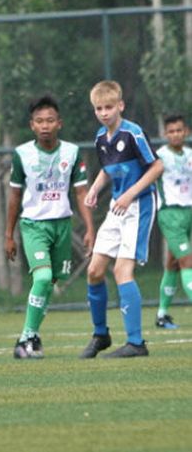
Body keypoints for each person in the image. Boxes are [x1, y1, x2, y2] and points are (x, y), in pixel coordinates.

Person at [5, 95, 95, 359]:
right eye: (39, 121)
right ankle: (27, 337)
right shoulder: (22, 154)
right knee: (42, 279)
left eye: (50, 120)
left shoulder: (72, 152)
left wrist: (90, 228)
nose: (45, 125)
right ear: (32, 125)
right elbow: (14, 197)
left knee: (52, 282)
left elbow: (80, 193)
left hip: (62, 226)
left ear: (60, 123)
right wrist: (8, 235)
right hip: (34, 225)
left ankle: (28, 338)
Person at [80, 80, 164, 359]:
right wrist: (94, 188)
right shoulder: (100, 138)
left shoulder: (133, 133)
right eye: (99, 108)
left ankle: (136, 343)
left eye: (109, 107)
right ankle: (101, 335)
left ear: (120, 106)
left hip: (139, 205)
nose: (104, 112)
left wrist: (129, 194)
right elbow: (108, 170)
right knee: (94, 271)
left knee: (121, 272)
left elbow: (156, 166)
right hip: (118, 207)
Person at [154, 115, 192, 329]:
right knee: (188, 261)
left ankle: (161, 315)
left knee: (172, 264)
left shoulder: (190, 154)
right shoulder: (159, 157)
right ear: (165, 134)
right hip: (170, 215)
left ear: (186, 131)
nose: (176, 134)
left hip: (189, 213)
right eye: (171, 131)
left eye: (179, 130)